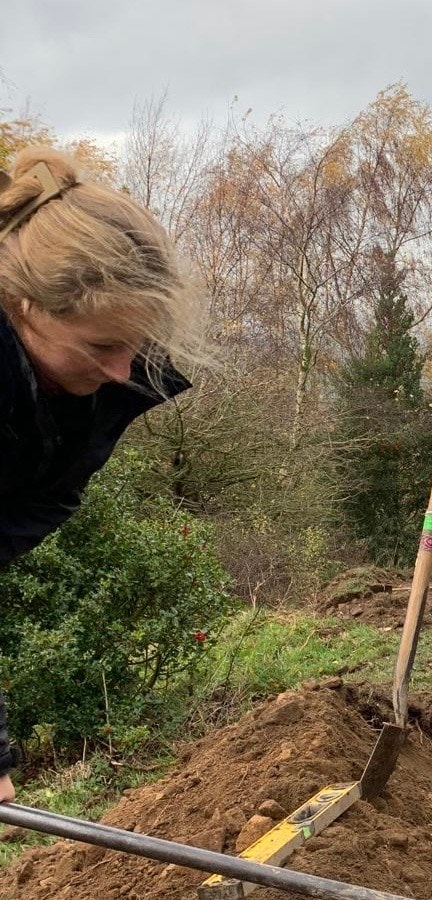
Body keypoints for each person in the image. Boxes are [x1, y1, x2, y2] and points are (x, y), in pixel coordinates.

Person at [0, 147, 201, 802]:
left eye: (135, 345)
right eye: (101, 347)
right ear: (26, 305)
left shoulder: (69, 399)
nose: (122, 372)